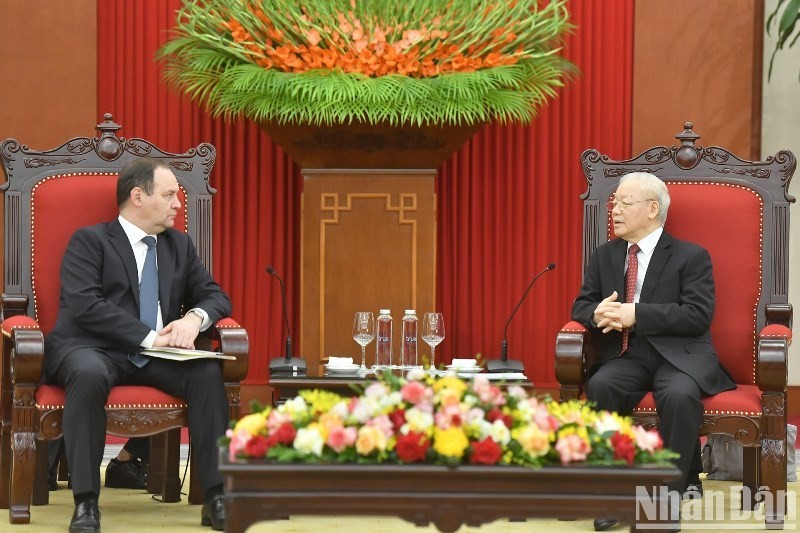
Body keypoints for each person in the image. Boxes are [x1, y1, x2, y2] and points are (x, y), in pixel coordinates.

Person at [44, 158, 231, 532]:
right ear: (137, 196)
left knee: (207, 370)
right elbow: (85, 306)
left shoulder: (178, 245)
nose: (178, 203)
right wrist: (149, 336)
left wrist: (194, 319)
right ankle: (85, 503)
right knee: (89, 373)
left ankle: (217, 497)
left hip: (154, 355)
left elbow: (215, 296)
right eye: (169, 195)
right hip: (92, 348)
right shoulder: (91, 240)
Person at [570, 172, 734, 531]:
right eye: (614, 202)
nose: (614, 209)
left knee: (678, 395)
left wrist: (636, 314)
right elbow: (581, 304)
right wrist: (595, 313)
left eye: (624, 202)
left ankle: (665, 500)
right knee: (602, 386)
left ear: (652, 209)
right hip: (627, 355)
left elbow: (697, 315)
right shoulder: (605, 255)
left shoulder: (691, 256)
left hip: (679, 357)